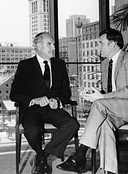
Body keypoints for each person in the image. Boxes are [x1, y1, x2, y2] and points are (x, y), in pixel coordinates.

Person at [57, 28, 128, 174]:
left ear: (113, 44)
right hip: (116, 109)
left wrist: (101, 98)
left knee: (100, 104)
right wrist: (95, 94)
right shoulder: (105, 64)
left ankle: (80, 154)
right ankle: (110, 170)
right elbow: (109, 93)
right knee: (104, 123)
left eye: (101, 43)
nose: (98, 47)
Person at [10, 31, 79, 174]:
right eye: (50, 44)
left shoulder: (60, 65)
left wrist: (58, 100)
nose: (53, 47)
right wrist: (33, 100)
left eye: (53, 44)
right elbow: (14, 94)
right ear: (38, 46)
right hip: (32, 110)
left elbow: (66, 92)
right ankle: (42, 157)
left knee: (72, 124)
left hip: (53, 109)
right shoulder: (25, 65)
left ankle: (42, 156)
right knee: (33, 131)